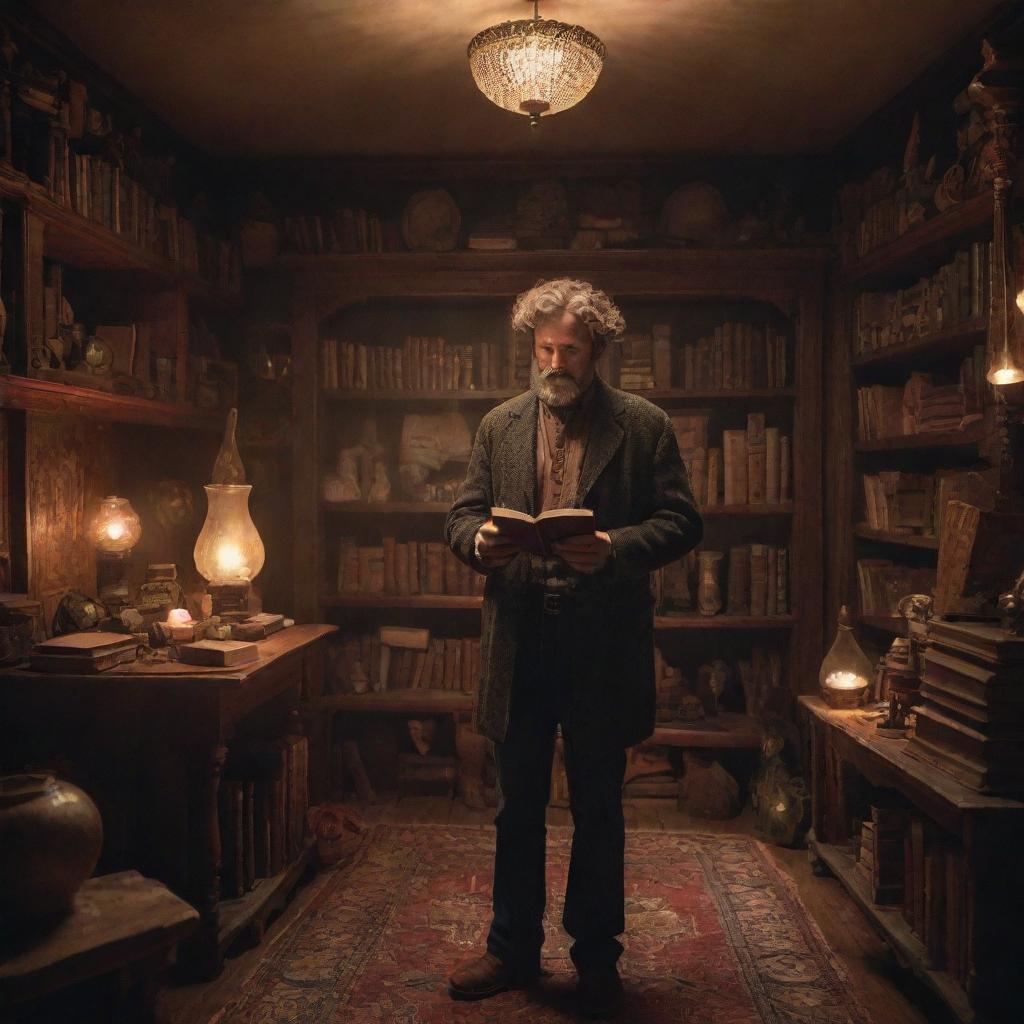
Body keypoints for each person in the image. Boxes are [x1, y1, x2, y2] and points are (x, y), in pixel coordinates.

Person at [443, 278, 703, 1018]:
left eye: (572, 351)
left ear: (598, 353)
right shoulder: (499, 424)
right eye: (545, 348)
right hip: (519, 642)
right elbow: (461, 513)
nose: (556, 362)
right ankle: (511, 949)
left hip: (600, 648)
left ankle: (596, 958)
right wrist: (480, 540)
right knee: (516, 805)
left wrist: (615, 547)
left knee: (598, 808)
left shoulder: (642, 424)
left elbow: (683, 523)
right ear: (532, 346)